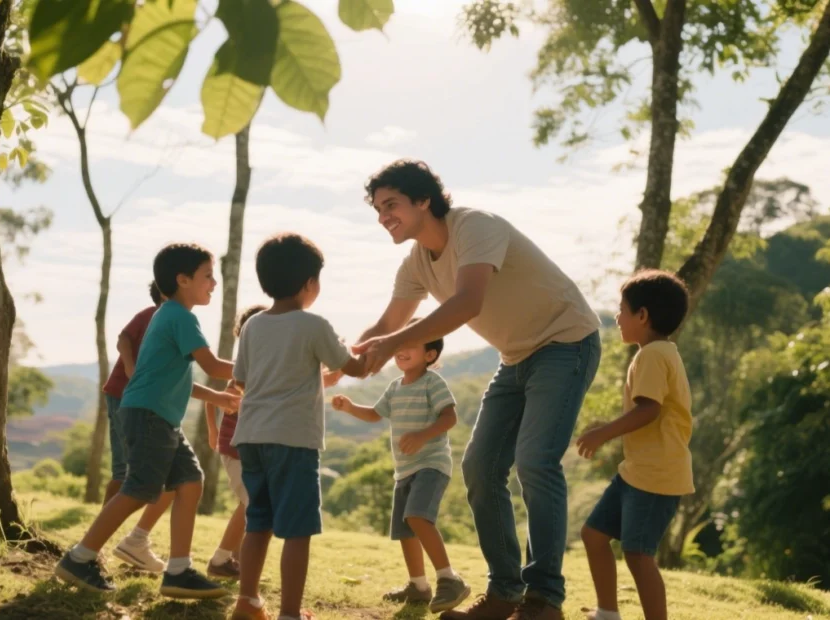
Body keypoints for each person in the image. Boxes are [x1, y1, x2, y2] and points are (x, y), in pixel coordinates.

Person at [346, 159, 602, 620]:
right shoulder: (416, 263)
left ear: (423, 200)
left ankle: (544, 600)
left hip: (566, 342)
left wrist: (391, 344)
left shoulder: (474, 226)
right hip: (516, 357)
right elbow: (387, 325)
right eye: (378, 209)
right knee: (480, 466)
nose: (383, 216)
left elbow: (467, 302)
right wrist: (341, 362)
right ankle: (504, 593)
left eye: (391, 204)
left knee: (535, 462)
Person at [54, 243, 241, 599]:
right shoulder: (180, 316)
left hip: (158, 416)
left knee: (189, 481)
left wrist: (217, 398)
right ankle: (79, 558)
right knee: (139, 489)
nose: (214, 283)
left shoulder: (168, 315)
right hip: (149, 416)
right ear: (183, 280)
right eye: (207, 276)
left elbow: (174, 378)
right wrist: (266, 369)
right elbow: (214, 366)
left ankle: (179, 571)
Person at [228, 233, 368, 620]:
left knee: (258, 522)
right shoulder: (313, 325)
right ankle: (289, 613)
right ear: (309, 283)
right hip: (292, 440)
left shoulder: (253, 326)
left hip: (251, 437)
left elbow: (240, 381)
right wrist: (361, 349)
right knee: (297, 529)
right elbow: (354, 367)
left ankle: (248, 602)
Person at [576, 270, 694, 620]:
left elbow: (649, 410)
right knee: (594, 534)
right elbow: (646, 408)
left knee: (638, 553)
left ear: (642, 315)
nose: (617, 317)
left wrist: (604, 433)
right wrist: (606, 428)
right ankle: (607, 613)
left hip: (656, 476)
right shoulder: (657, 353)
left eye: (622, 309)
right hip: (636, 473)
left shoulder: (653, 355)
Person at [332, 321, 471, 614]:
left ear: (430, 355)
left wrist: (422, 435)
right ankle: (418, 586)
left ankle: (450, 578)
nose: (402, 350)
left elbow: (449, 417)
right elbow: (375, 414)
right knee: (405, 529)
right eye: (400, 344)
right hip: (405, 469)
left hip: (431, 463)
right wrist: (349, 407)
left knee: (417, 517)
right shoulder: (395, 386)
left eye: (411, 345)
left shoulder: (432, 383)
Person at [101, 280, 174, 573]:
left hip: (146, 402)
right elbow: (123, 339)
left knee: (159, 475)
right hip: (123, 394)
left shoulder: (175, 321)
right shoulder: (150, 314)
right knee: (123, 472)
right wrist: (130, 367)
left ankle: (133, 543)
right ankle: (96, 546)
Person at [206, 304, 268, 579]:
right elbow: (213, 399)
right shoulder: (244, 369)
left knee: (251, 503)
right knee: (252, 502)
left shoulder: (262, 367)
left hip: (250, 450)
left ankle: (237, 563)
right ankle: (220, 560)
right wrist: (213, 430)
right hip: (234, 450)